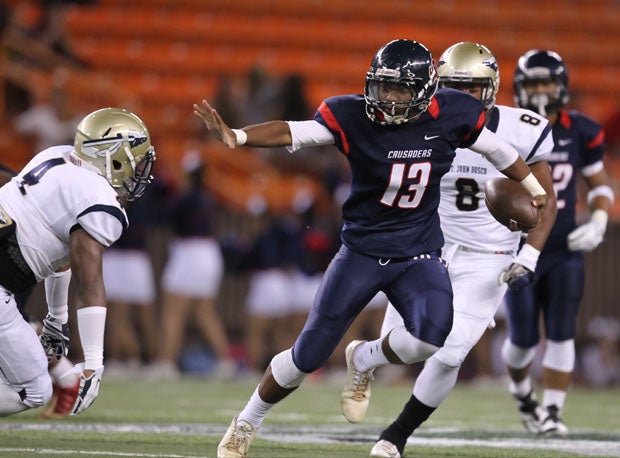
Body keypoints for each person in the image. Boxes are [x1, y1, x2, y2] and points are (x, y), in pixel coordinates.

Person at [194, 38, 548, 458]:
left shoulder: (453, 112)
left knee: (432, 338)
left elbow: (498, 149)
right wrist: (238, 136)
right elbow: (297, 132)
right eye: (383, 87)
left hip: (418, 253)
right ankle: (247, 420)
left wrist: (531, 187)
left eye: (399, 90)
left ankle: (363, 359)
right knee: (307, 355)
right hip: (362, 251)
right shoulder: (352, 114)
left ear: (425, 90)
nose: (389, 98)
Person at [364, 41, 557, 458]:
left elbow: (547, 198)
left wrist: (529, 255)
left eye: (472, 89)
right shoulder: (420, 119)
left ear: (491, 89)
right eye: (453, 86)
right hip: (424, 247)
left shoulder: (523, 127)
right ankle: (363, 357)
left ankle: (395, 435)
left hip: (487, 257)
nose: (463, 97)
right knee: (404, 347)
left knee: (450, 354)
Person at [0, 107, 155, 416]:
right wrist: (94, 363)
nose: (140, 171)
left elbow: (62, 258)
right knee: (33, 389)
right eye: (136, 160)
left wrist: (57, 320)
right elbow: (89, 281)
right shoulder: (97, 196)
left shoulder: (56, 157)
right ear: (114, 156)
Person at [501, 49, 614, 437]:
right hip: (521, 244)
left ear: (562, 86)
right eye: (533, 83)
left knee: (563, 329)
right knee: (522, 341)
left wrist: (599, 218)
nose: (540, 90)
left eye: (546, 82)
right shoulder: (508, 127)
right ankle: (519, 389)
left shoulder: (579, 129)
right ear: (519, 87)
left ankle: (552, 412)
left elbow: (600, 185)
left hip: (564, 247)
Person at [152, 150, 235, 380]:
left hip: (189, 253)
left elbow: (161, 217)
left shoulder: (184, 198)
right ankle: (226, 362)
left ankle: (165, 364)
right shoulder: (207, 198)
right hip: (209, 254)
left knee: (173, 312)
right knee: (205, 312)